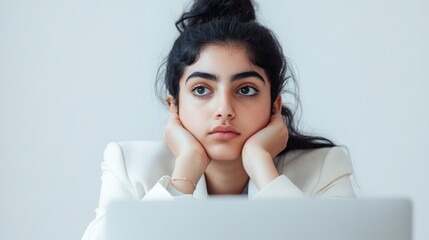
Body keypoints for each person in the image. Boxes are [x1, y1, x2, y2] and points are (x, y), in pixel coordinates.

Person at [82, 0, 356, 239]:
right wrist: (182, 179)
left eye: (246, 90)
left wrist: (262, 166)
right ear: (174, 105)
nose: (224, 109)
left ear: (275, 105)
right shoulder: (130, 167)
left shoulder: (325, 168)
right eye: (201, 90)